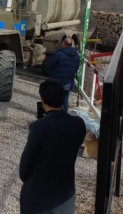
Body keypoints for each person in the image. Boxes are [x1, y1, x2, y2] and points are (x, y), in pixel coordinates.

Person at [19, 80, 86, 214]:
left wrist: (41, 122)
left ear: (42, 100)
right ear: (62, 99)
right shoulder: (79, 124)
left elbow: (24, 170)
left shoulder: (38, 127)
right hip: (65, 195)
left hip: (38, 198)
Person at [43, 37, 80, 111]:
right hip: (68, 83)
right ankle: (64, 115)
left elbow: (49, 64)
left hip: (57, 82)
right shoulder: (76, 56)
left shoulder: (59, 54)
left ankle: (56, 115)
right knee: (65, 100)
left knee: (56, 99)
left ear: (63, 43)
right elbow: (76, 68)